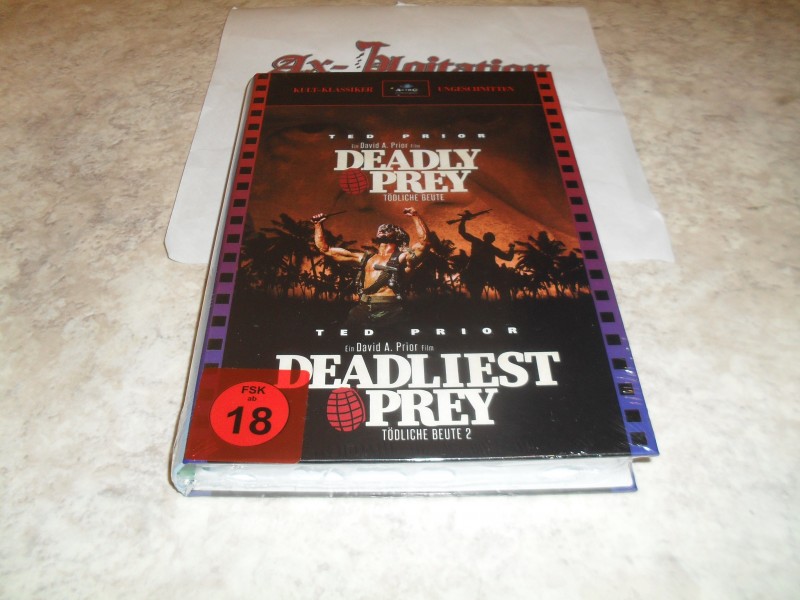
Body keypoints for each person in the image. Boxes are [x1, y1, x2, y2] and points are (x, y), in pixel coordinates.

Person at [311, 207, 431, 326]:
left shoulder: (403, 257)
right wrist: (317, 225)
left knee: (391, 336)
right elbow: (325, 249)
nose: (382, 229)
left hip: (390, 309)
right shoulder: (366, 258)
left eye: (388, 229)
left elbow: (425, 243)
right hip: (363, 308)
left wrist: (415, 215)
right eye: (381, 229)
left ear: (398, 237)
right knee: (347, 334)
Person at [457, 213, 515, 300]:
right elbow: (508, 258)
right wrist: (512, 248)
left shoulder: (478, 242)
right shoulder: (489, 247)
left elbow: (462, 233)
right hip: (482, 270)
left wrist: (463, 220)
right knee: (500, 288)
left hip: (480, 270)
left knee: (476, 294)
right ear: (492, 240)